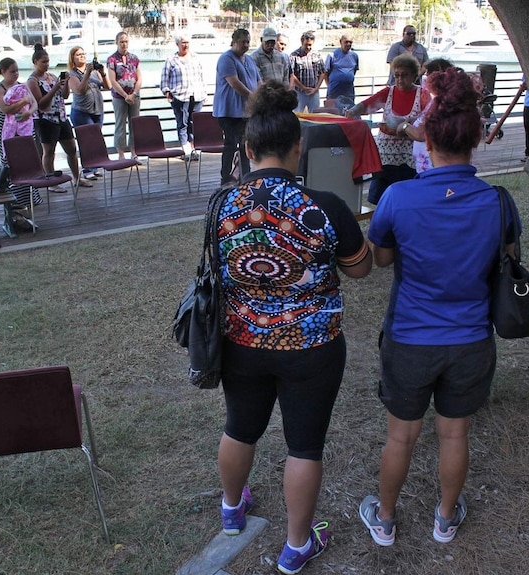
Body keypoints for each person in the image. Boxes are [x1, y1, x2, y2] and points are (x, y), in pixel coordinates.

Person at [213, 80, 372, 575]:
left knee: (240, 428)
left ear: (247, 147)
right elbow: (360, 267)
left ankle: (232, 508)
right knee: (304, 445)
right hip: (313, 347)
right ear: (298, 147)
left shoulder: (222, 204)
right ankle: (296, 545)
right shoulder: (325, 206)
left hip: (241, 341)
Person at [360, 67, 520, 548]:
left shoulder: (398, 197)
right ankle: (445, 519)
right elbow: (508, 263)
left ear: (427, 138)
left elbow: (382, 259)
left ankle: (385, 519)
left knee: (400, 438)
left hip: (410, 339)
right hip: (471, 340)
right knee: (455, 436)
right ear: (474, 140)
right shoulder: (498, 202)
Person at [345, 53, 431, 204]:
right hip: (386, 156)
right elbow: (367, 104)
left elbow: (428, 118)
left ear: (414, 75)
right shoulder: (388, 92)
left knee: (407, 199)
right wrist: (352, 111)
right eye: (396, 75)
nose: (399, 79)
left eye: (404, 75)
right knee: (380, 199)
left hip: (409, 158)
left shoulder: (422, 94)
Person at [27, 43, 82, 188]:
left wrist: (64, 84)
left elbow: (64, 95)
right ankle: (51, 183)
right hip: (45, 119)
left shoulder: (51, 76)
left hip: (61, 117)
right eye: (43, 62)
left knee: (71, 148)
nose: (46, 64)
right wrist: (55, 88)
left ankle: (77, 177)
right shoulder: (32, 81)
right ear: (35, 62)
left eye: (48, 61)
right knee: (49, 151)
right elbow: (41, 104)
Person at [213, 28, 260, 188]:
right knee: (231, 145)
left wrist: (264, 95)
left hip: (247, 112)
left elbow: (259, 81)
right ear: (234, 42)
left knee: (245, 145)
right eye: (242, 42)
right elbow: (234, 83)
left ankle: (245, 177)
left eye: (248, 42)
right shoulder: (226, 59)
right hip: (229, 112)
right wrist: (252, 96)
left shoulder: (250, 60)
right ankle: (226, 179)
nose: (246, 45)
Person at [0, 57, 42, 210]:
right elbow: (6, 109)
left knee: (28, 163)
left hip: (25, 129)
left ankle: (30, 197)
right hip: (8, 130)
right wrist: (22, 102)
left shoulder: (22, 86)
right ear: (3, 72)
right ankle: (14, 199)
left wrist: (29, 113)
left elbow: (34, 103)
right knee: (11, 165)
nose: (16, 74)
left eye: (17, 71)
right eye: (12, 72)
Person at [402, 58, 454, 173]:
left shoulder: (443, 102)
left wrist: (404, 126)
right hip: (426, 165)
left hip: (433, 168)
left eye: (427, 75)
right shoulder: (436, 100)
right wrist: (415, 120)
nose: (425, 79)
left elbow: (421, 134)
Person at [160, 34, 207, 158]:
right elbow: (164, 80)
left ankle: (193, 148)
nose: (185, 45)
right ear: (177, 44)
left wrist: (204, 92)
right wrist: (167, 93)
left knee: (194, 123)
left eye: (187, 42)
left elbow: (201, 77)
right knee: (182, 123)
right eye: (183, 43)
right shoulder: (171, 60)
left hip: (196, 96)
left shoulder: (196, 58)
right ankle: (185, 150)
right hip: (179, 96)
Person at [68, 45, 108, 181]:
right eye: (78, 54)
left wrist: (102, 72)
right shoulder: (72, 75)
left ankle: (95, 167)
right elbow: (79, 90)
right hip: (81, 112)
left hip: (97, 110)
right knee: (87, 141)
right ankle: (87, 169)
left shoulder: (94, 72)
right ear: (73, 58)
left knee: (96, 140)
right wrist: (86, 75)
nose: (82, 56)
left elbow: (108, 87)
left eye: (83, 54)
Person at [106, 31, 141, 161]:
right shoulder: (112, 59)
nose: (124, 44)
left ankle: (134, 152)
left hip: (134, 96)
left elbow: (139, 77)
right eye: (121, 42)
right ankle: (121, 154)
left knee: (135, 124)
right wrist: (125, 95)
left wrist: (134, 93)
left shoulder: (134, 58)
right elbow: (112, 81)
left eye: (126, 41)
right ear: (117, 43)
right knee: (120, 124)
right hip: (119, 97)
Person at [290, 31, 326, 112]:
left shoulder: (317, 55)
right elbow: (291, 74)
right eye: (306, 45)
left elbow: (323, 72)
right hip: (300, 93)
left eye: (310, 45)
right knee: (298, 115)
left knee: (316, 116)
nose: (308, 47)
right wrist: (303, 87)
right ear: (302, 42)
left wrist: (316, 88)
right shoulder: (294, 56)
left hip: (314, 92)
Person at [324, 33, 359, 101]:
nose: (348, 44)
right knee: (332, 111)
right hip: (334, 91)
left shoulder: (355, 56)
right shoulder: (332, 55)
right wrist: (329, 86)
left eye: (350, 42)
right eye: (346, 42)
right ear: (340, 42)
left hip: (349, 92)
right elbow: (325, 73)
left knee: (349, 110)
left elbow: (354, 71)